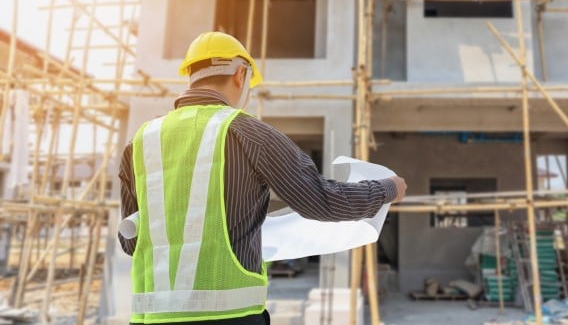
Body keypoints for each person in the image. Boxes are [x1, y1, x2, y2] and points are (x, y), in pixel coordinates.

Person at [118, 31, 407, 325]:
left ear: (190, 76)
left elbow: (130, 242)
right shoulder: (249, 134)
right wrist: (386, 189)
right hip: (229, 318)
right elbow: (321, 201)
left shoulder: (140, 142)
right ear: (240, 75)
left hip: (151, 318)